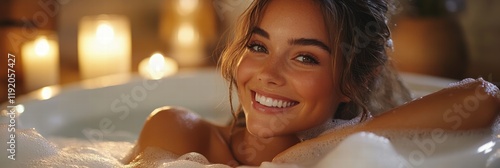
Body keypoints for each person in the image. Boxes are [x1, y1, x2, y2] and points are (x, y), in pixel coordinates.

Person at [126, 0, 500, 166]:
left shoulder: (351, 157)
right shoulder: (177, 133)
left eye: (305, 57)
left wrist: (318, 150)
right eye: (258, 46)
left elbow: (483, 97)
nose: (269, 74)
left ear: (355, 80)